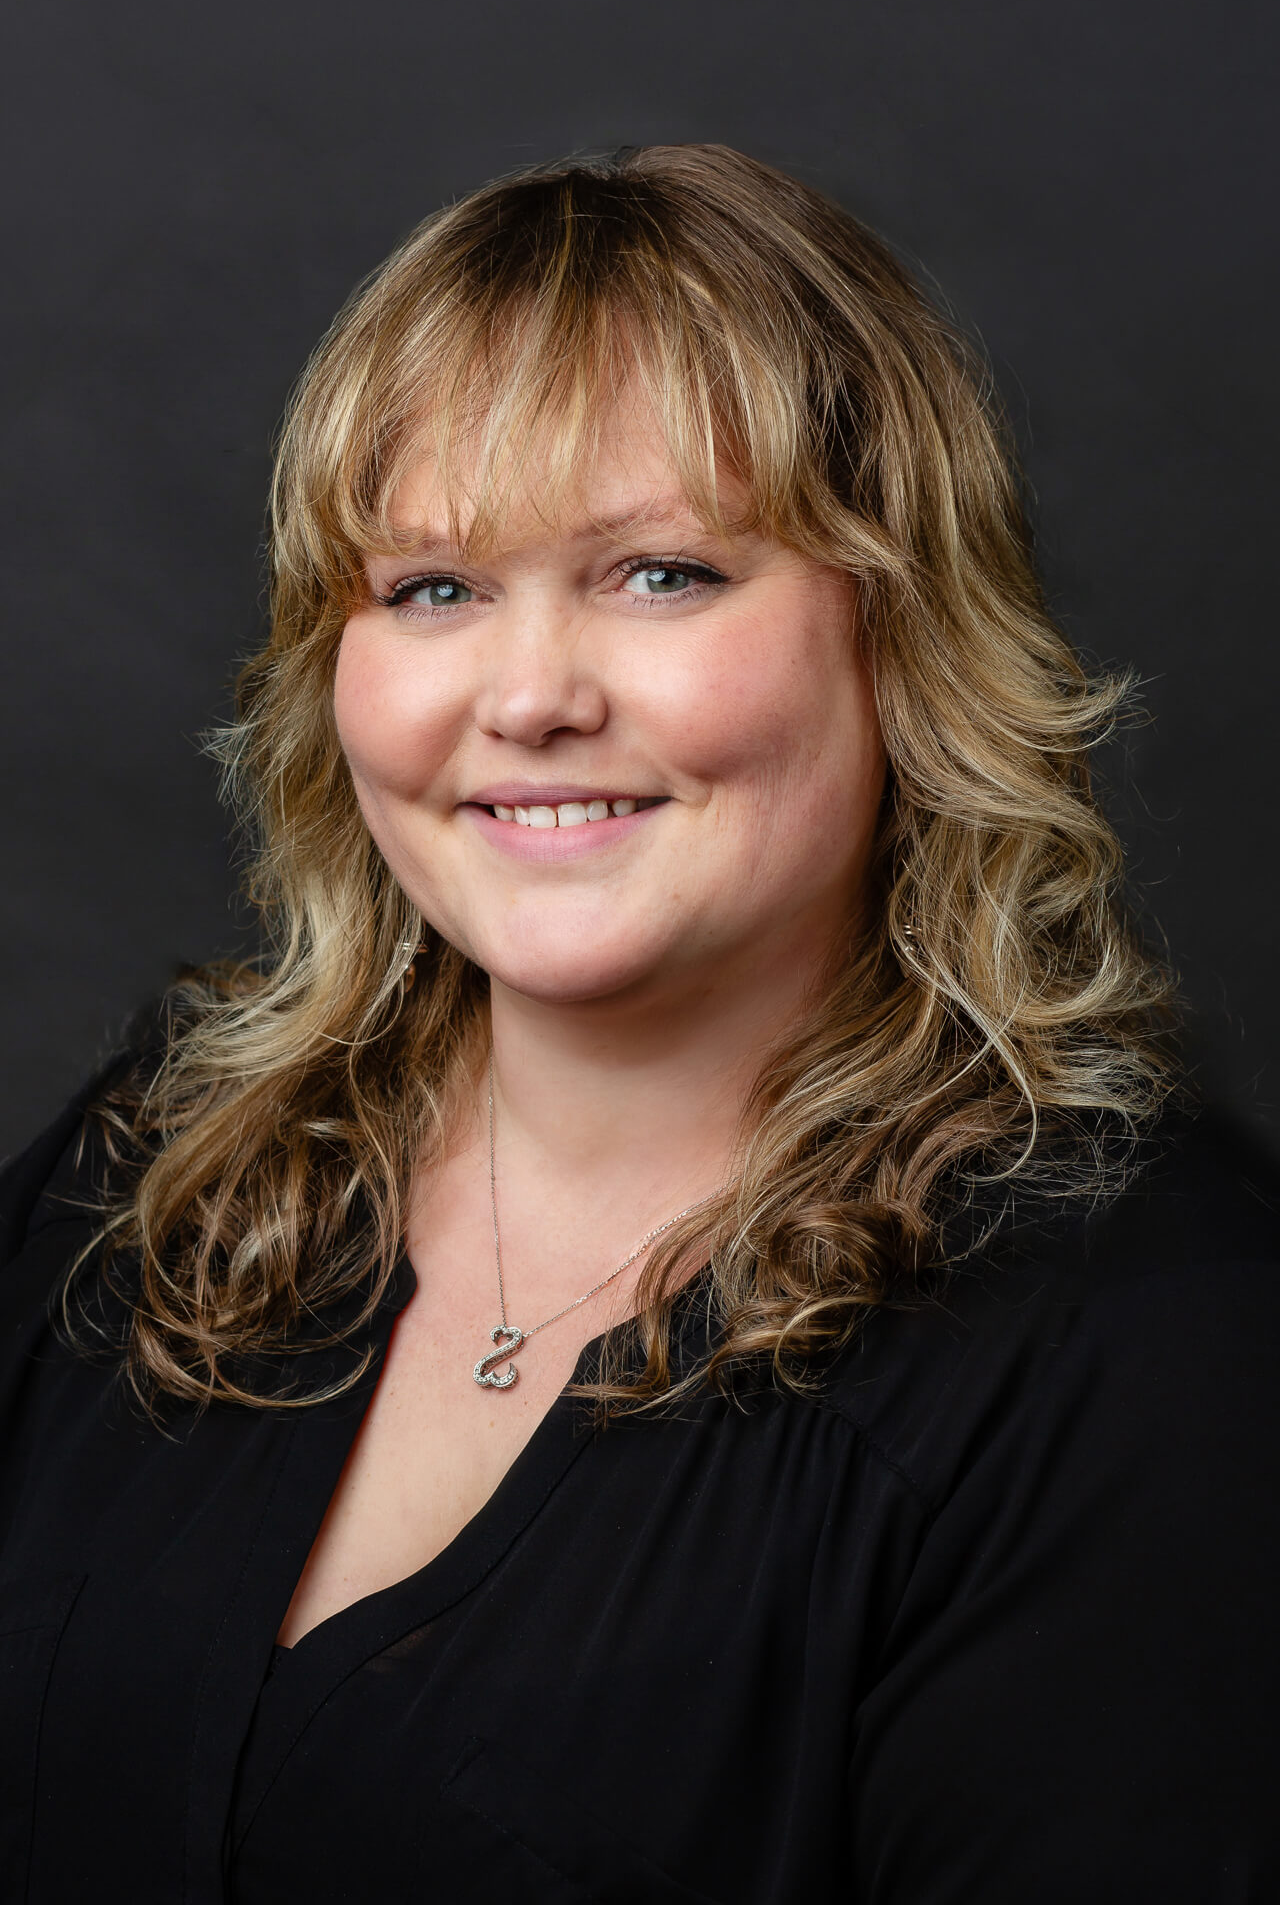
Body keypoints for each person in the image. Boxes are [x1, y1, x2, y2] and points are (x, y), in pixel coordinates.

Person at [1, 144, 1276, 1904]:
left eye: (661, 573)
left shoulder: (1152, 1353)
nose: (530, 697)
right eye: (433, 588)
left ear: (901, 630)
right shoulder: (166, 1161)